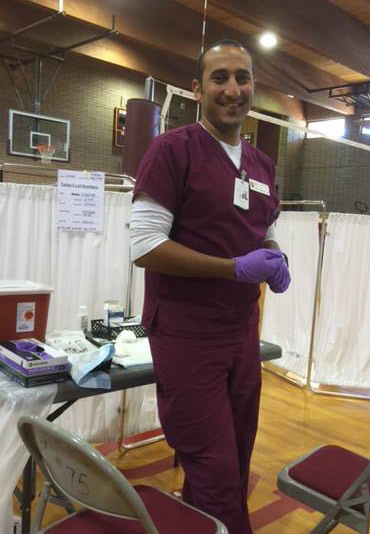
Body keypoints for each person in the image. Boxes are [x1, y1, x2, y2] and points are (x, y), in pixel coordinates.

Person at [129, 38, 290, 534]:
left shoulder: (262, 165)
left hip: (242, 334)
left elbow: (265, 231)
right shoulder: (173, 151)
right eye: (220, 77)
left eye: (242, 78)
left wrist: (278, 256)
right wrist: (233, 268)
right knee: (216, 472)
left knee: (234, 464)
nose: (233, 89)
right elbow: (144, 245)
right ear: (198, 89)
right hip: (187, 336)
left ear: (253, 88)